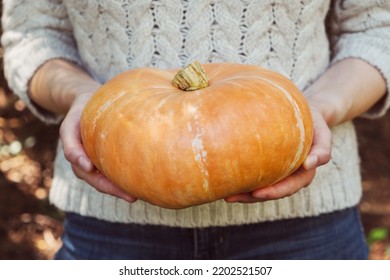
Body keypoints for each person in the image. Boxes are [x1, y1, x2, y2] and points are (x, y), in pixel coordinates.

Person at [2, 0, 389, 260]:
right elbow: (34, 35)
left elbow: (376, 29)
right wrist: (83, 97)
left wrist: (314, 110)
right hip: (112, 233)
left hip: (308, 230)